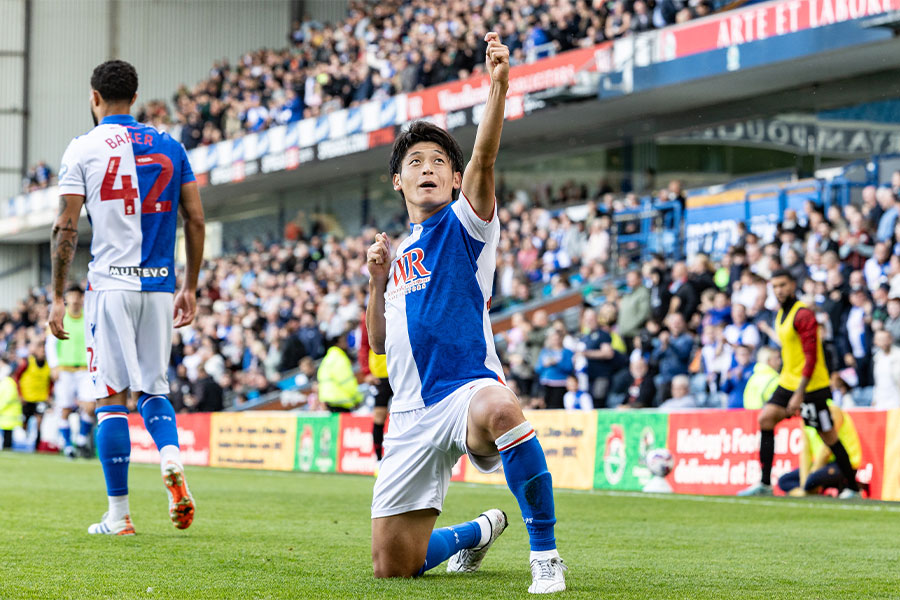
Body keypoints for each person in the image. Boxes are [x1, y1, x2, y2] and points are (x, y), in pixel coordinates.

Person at [365, 34, 565, 593]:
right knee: (393, 567)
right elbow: (379, 345)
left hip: (464, 394)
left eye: (438, 162)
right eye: (414, 162)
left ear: (454, 181)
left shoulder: (466, 224)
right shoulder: (398, 253)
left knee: (503, 406)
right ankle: (476, 532)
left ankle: (545, 557)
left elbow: (485, 155)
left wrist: (498, 85)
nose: (427, 168)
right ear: (397, 180)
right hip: (407, 415)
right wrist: (376, 281)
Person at [49, 60, 204, 535]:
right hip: (158, 286)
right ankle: (171, 456)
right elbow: (195, 219)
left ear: (95, 97)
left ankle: (118, 516)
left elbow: (67, 225)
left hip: (109, 287)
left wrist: (57, 296)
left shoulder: (83, 148)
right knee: (154, 390)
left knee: (111, 399)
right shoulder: (170, 145)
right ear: (134, 99)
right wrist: (191, 285)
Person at [739, 270, 861, 498]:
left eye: (783, 285)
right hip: (788, 380)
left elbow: (812, 356)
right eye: (774, 286)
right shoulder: (780, 315)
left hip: (810, 385)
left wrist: (799, 393)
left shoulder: (803, 314)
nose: (779, 290)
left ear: (793, 284)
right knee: (766, 419)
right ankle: (765, 484)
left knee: (828, 436)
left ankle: (853, 488)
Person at [46, 284, 95, 458]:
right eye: (71, 296)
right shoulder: (60, 317)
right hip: (65, 369)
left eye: (77, 296)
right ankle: (68, 446)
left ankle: (81, 439)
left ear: (82, 298)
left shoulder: (89, 316)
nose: (74, 299)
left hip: (85, 369)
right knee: (65, 409)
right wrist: (54, 365)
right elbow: (50, 344)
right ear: (66, 298)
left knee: (90, 406)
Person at [777, 403, 862, 498]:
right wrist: (804, 483)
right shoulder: (806, 416)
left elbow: (827, 450)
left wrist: (810, 477)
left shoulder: (832, 410)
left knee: (812, 480)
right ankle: (807, 492)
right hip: (820, 464)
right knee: (783, 481)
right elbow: (805, 452)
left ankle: (805, 492)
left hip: (841, 464)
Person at [360, 318, 392, 464]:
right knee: (379, 417)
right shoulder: (370, 315)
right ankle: (378, 459)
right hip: (380, 375)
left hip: (402, 373)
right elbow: (364, 345)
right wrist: (366, 372)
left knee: (408, 415)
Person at [14, 340, 52, 451]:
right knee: (24, 421)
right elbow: (17, 378)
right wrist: (20, 394)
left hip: (41, 398)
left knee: (39, 421)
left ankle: (37, 445)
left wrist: (49, 394)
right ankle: (24, 440)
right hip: (27, 398)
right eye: (41, 349)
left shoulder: (49, 365)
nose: (43, 352)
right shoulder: (27, 363)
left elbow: (51, 382)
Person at [317, 333, 362, 413]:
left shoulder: (327, 358)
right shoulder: (340, 358)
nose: (347, 344)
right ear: (338, 343)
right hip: (340, 400)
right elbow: (346, 381)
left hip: (328, 401)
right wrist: (357, 399)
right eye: (344, 341)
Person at [871, 329, 900, 409]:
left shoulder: (898, 355)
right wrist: (875, 399)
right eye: (880, 340)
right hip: (881, 402)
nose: (883, 342)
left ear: (891, 339)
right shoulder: (877, 358)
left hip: (896, 402)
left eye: (885, 339)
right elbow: (877, 382)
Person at [0, 359, 22, 450]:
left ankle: (7, 447)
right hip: (6, 415)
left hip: (8, 414)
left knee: (7, 434)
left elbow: (7, 399)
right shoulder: (7, 382)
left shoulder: (8, 382)